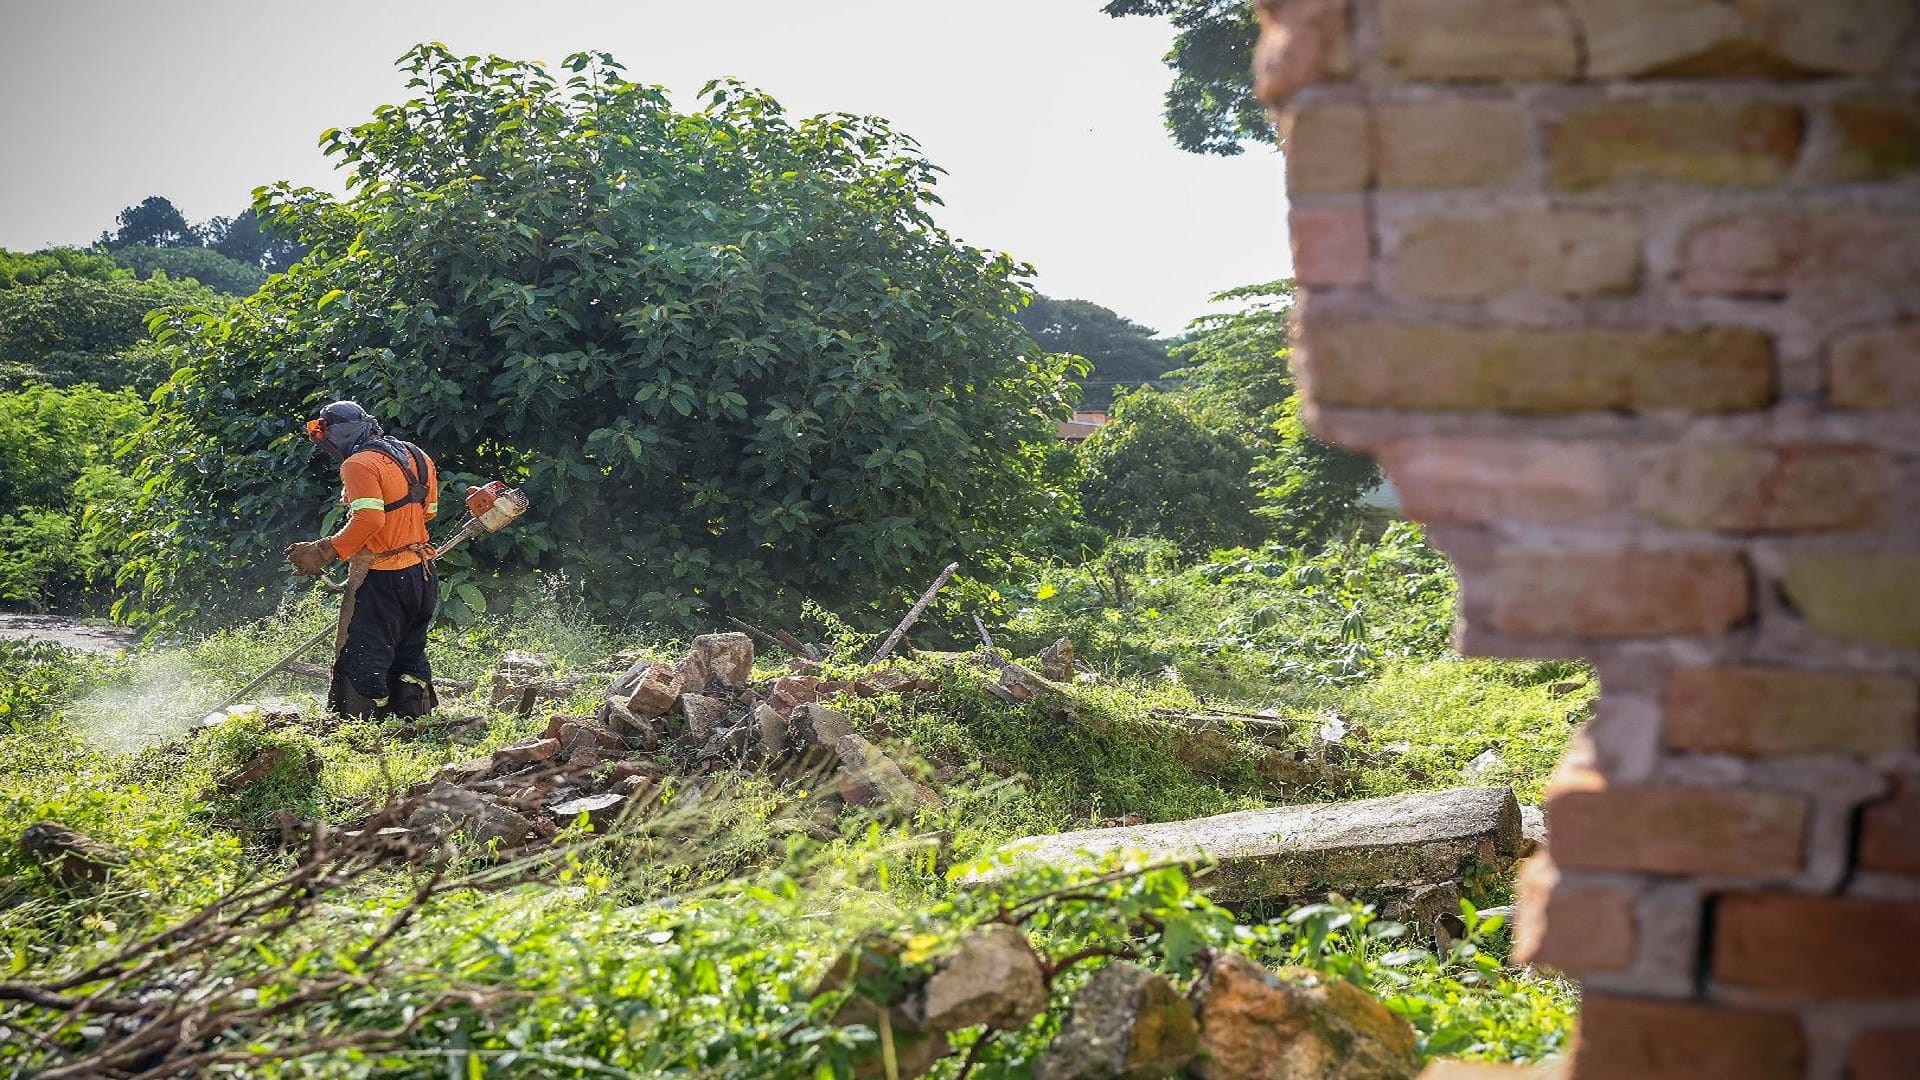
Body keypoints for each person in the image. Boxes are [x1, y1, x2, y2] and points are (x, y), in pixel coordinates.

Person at [284, 401, 442, 719]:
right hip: (422, 574)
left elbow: (370, 519)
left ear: (338, 432)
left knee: (361, 656)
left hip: (383, 577)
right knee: (409, 655)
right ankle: (415, 724)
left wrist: (327, 550)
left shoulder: (358, 464)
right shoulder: (417, 456)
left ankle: (357, 730)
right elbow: (430, 512)